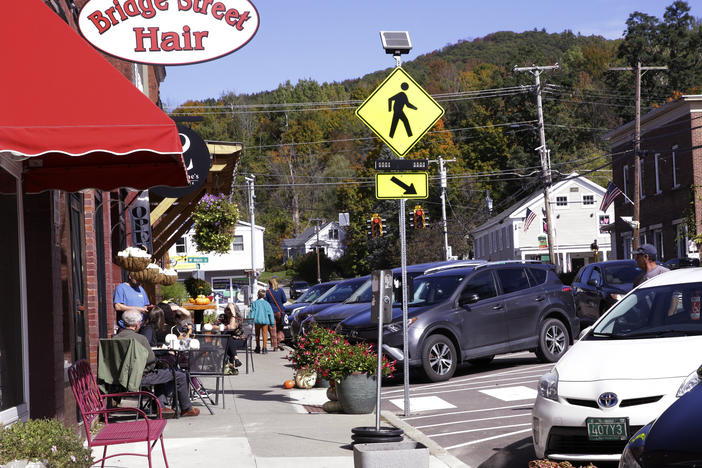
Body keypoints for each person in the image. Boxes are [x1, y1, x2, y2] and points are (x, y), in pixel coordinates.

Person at [115, 309, 199, 417]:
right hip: (138, 378)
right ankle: (186, 408)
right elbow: (150, 360)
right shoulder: (140, 339)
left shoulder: (114, 338)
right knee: (179, 375)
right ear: (137, 324)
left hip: (117, 379)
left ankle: (160, 405)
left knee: (162, 373)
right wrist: (159, 363)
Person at [265, 278, 287, 351]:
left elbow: (265, 303)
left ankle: (275, 346)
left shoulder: (267, 292)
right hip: (280, 312)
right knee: (280, 328)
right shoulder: (280, 290)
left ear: (269, 284)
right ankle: (279, 340)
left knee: (272, 329)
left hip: (271, 312)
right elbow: (285, 300)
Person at [250, 289, 275, 354]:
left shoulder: (254, 303)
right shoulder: (267, 304)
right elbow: (271, 313)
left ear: (258, 295)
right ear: (264, 296)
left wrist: (250, 321)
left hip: (257, 321)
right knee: (265, 334)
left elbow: (252, 312)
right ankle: (264, 348)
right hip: (265, 321)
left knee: (257, 334)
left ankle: (258, 347)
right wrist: (272, 322)